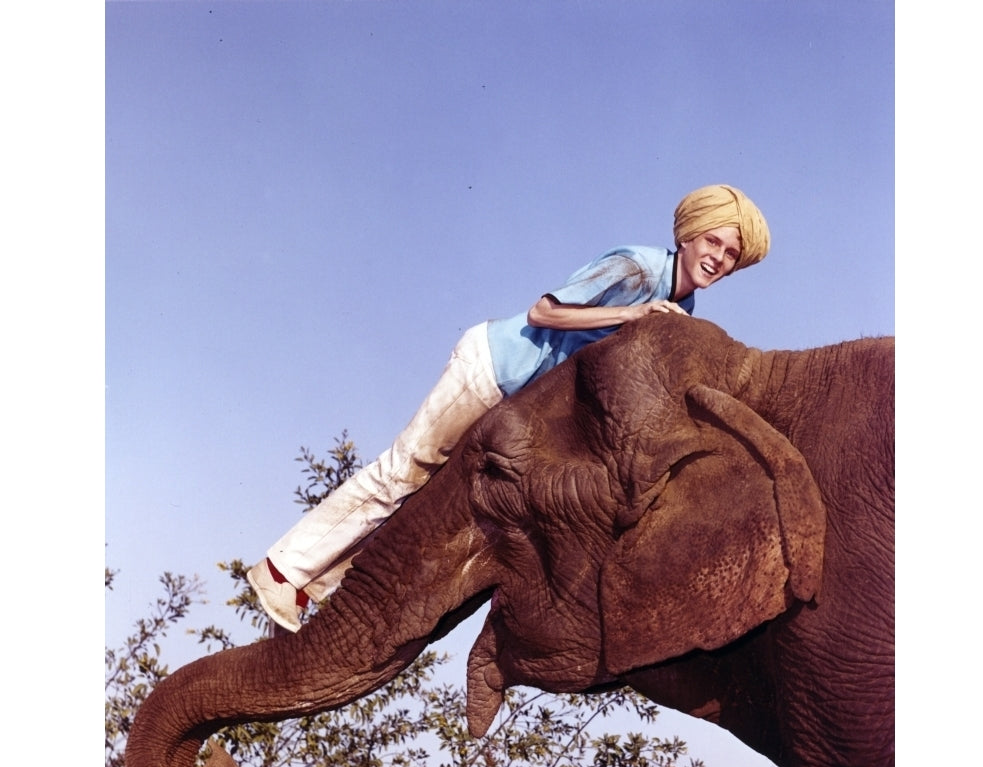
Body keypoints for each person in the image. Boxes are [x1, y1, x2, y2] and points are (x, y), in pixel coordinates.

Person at [248, 184, 770, 632]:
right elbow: (544, 310)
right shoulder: (636, 269)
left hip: (515, 406)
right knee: (404, 470)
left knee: (426, 497)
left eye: (730, 254)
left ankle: (312, 584)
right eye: (713, 242)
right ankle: (280, 570)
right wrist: (634, 314)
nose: (718, 259)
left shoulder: (684, 308)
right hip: (492, 369)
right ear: (687, 235)